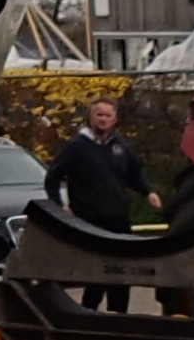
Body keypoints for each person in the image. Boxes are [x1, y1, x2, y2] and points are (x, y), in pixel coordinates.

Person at [49, 95, 151, 313]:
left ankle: (119, 316)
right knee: (97, 271)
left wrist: (148, 192)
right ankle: (88, 313)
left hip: (118, 219)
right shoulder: (77, 146)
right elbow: (52, 178)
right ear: (91, 117)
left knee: (121, 271)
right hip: (90, 220)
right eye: (99, 115)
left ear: (114, 119)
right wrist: (60, 206)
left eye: (107, 115)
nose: (103, 119)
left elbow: (134, 175)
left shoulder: (120, 146)